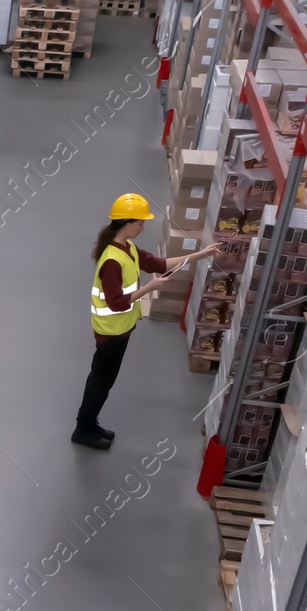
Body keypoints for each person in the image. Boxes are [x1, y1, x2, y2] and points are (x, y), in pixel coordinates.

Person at [74, 192, 218, 451]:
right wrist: (150, 287)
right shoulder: (112, 260)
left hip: (121, 329)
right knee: (100, 382)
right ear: (127, 222)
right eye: (140, 223)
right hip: (111, 333)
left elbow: (159, 264)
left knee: (104, 381)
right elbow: (117, 302)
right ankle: (83, 429)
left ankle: (89, 423)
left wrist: (200, 255)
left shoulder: (126, 248)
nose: (142, 228)